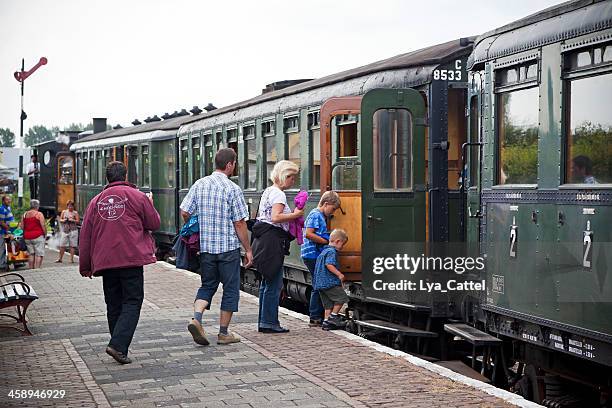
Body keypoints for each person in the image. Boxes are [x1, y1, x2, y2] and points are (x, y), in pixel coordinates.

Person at [79, 161, 160, 365]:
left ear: (107, 178)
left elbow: (86, 235)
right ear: (125, 176)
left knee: (113, 303)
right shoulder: (138, 197)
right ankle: (118, 345)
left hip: (106, 262)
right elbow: (154, 223)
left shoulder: (95, 201)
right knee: (132, 301)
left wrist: (85, 265)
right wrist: (150, 203)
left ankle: (117, 345)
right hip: (131, 259)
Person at [180, 148, 253, 346]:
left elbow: (185, 211)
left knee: (207, 285)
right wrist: (248, 249)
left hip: (206, 248)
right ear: (229, 165)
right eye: (234, 163)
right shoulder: (232, 189)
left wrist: (197, 223)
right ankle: (223, 333)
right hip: (227, 248)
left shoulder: (200, 184)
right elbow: (239, 223)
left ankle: (197, 318)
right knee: (230, 289)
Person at [252, 160, 303, 334]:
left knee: (267, 283)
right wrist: (295, 214)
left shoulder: (268, 191)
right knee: (274, 283)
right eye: (292, 177)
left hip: (264, 240)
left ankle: (264, 320)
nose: (293, 181)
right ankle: (269, 322)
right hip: (273, 241)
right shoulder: (279, 195)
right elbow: (275, 217)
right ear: (285, 176)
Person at [301, 191, 341, 327]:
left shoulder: (319, 215)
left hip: (314, 255)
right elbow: (308, 234)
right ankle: (315, 317)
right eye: (333, 208)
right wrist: (325, 241)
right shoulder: (315, 215)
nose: (333, 212)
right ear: (325, 204)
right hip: (312, 255)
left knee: (318, 284)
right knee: (318, 285)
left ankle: (318, 315)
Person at [313, 228, 349, 331]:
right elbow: (329, 264)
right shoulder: (332, 252)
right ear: (338, 241)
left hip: (319, 284)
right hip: (329, 282)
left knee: (328, 305)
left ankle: (326, 322)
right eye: (342, 244)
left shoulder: (324, 251)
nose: (342, 247)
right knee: (342, 298)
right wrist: (339, 274)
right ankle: (333, 317)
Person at [21, 199, 46, 269]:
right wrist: (45, 234)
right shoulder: (39, 214)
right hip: (38, 236)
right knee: (39, 254)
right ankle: (37, 269)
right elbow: (43, 225)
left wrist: (26, 232)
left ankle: (31, 269)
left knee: (31, 254)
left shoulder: (25, 214)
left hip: (27, 237)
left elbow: (22, 227)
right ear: (37, 206)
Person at [0, 195, 15, 270]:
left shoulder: (8, 208)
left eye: (10, 199)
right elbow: (1, 222)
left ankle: (15, 261)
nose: (9, 201)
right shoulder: (2, 209)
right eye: (7, 200)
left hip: (8, 231)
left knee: (12, 246)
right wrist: (8, 229)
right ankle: (1, 265)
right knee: (1, 248)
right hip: (3, 231)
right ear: (3, 201)